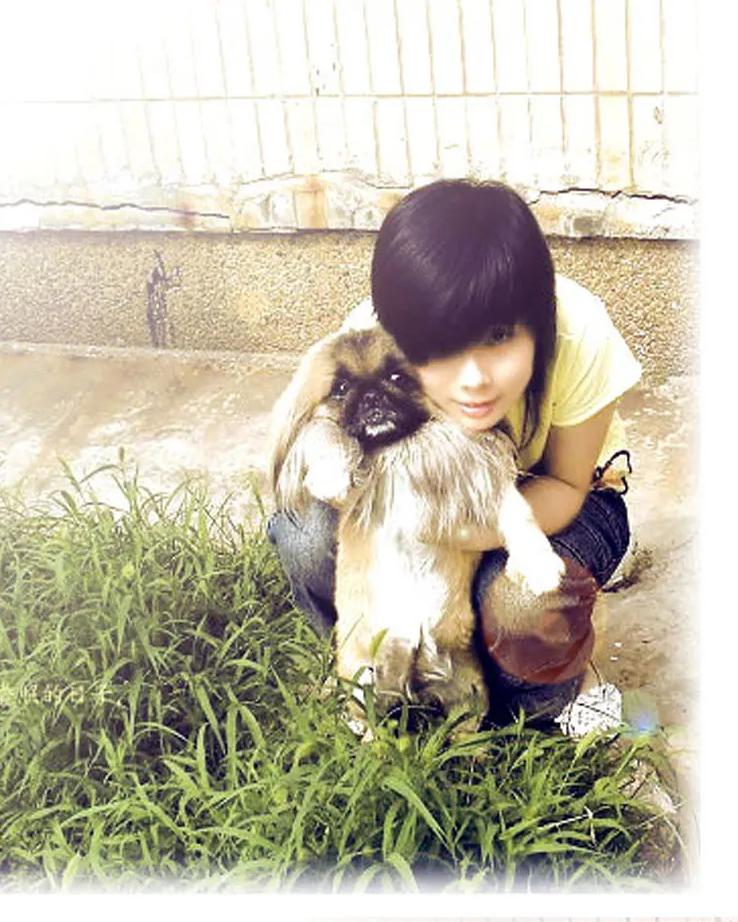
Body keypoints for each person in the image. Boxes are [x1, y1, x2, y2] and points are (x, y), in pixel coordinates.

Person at [266, 178, 642, 726]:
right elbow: (319, 426)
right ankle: (367, 668)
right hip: (416, 501)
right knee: (304, 533)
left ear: (539, 322)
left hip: (560, 498)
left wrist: (456, 532)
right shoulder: (371, 341)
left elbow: (566, 485)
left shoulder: (579, 331)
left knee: (521, 607)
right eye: (438, 348)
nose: (473, 379)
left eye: (499, 337)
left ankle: (561, 692)